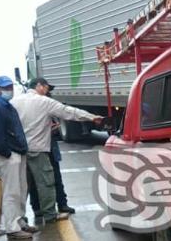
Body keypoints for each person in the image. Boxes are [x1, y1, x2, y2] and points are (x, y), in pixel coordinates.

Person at [11, 78, 103, 224]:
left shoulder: (14, 102)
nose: (47, 91)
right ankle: (49, 214)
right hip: (38, 149)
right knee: (46, 182)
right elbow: (69, 112)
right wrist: (91, 117)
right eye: (46, 88)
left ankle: (19, 218)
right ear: (40, 86)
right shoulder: (44, 101)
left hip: (19, 150)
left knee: (23, 186)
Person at [0, 76, 37, 240]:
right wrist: (8, 153)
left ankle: (19, 221)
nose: (9, 90)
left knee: (21, 189)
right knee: (12, 192)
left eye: (10, 87)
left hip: (16, 152)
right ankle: (12, 227)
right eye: (5, 88)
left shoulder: (6, 106)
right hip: (10, 154)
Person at [28, 129, 74, 217]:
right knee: (35, 179)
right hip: (37, 147)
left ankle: (61, 203)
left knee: (56, 177)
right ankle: (38, 207)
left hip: (49, 146)